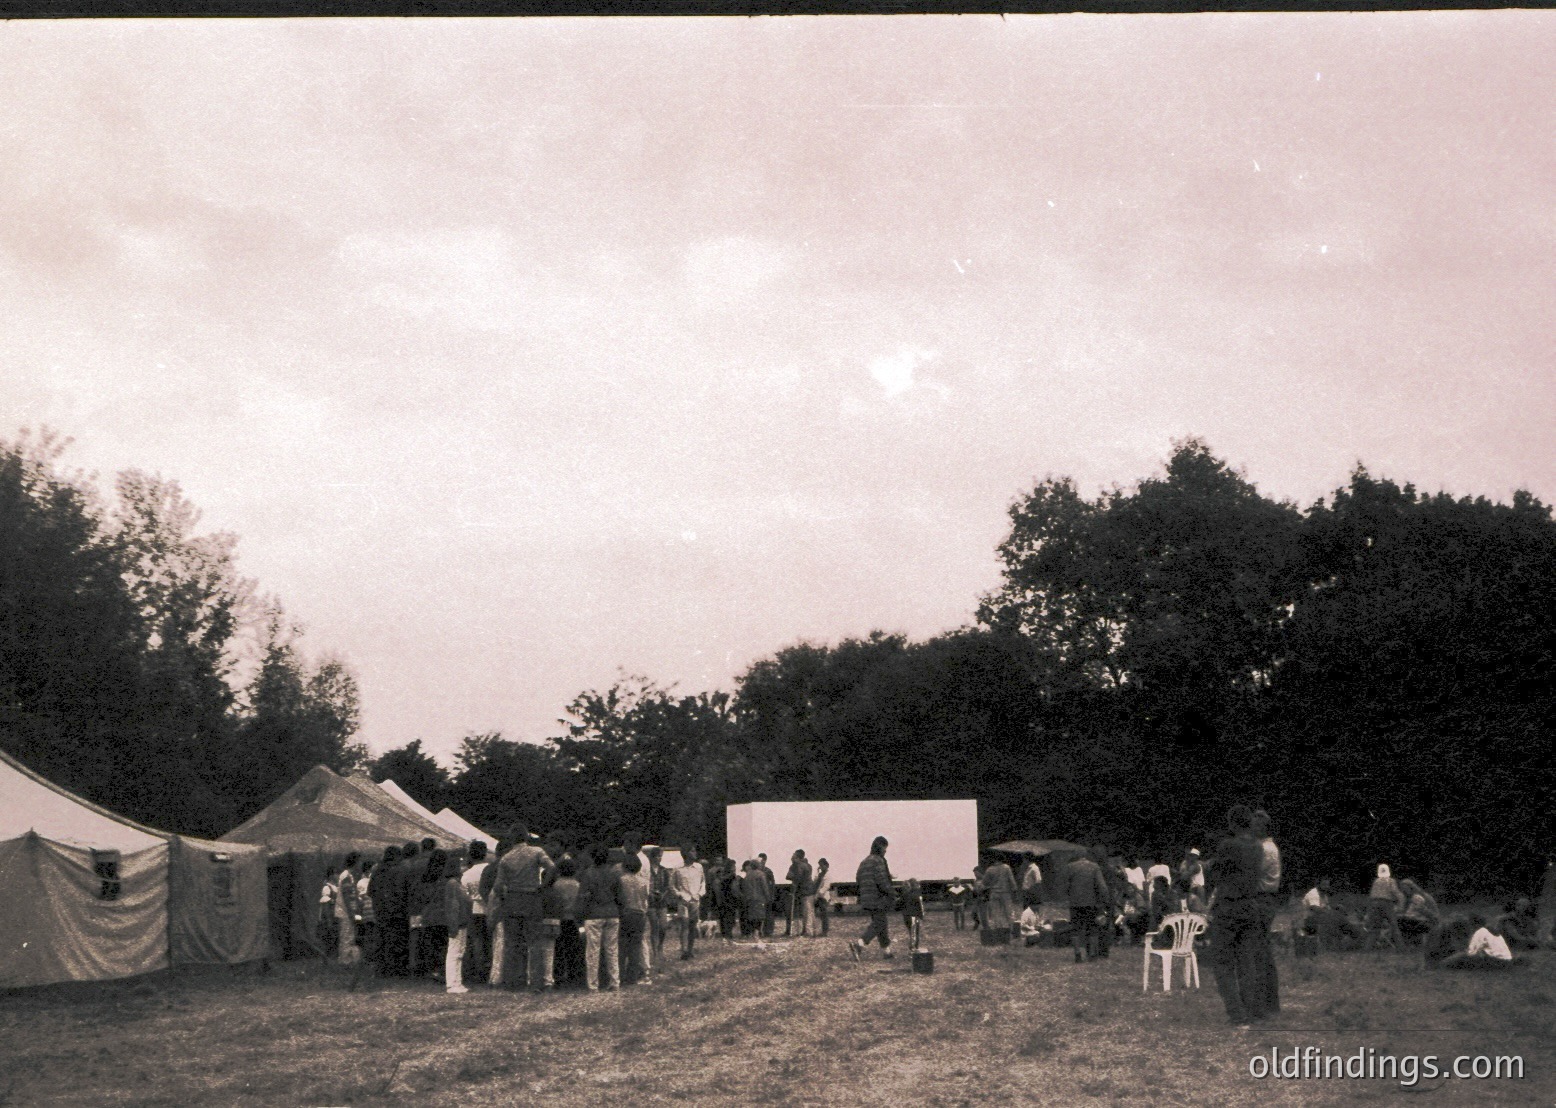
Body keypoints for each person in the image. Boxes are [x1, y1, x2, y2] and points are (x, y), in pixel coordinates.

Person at [1206, 804, 1272, 1028]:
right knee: (1247, 963)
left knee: (1222, 963)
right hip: (1250, 906)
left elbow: (1215, 873)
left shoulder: (1228, 845)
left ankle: (1236, 1013)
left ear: (1232, 823)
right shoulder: (1258, 847)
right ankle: (1250, 1011)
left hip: (1228, 907)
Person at [495, 822, 557, 990]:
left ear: (511, 839)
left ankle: (513, 982)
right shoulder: (537, 852)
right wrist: (542, 886)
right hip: (532, 898)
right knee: (535, 942)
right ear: (527, 836)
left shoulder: (505, 858)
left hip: (513, 899)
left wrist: (504, 899)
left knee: (512, 943)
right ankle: (536, 983)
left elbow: (498, 886)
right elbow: (551, 867)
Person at [1248, 811, 1280, 1018]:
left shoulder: (1266, 849)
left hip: (1262, 900)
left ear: (1262, 828)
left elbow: (1249, 872)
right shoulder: (1265, 847)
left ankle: (1265, 1003)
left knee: (1259, 952)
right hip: (1263, 900)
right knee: (1261, 951)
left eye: (1254, 827)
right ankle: (1268, 1002)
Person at [577, 845, 622, 991]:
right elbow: (619, 895)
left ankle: (593, 984)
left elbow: (583, 896)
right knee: (612, 950)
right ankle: (615, 982)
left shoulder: (588, 874)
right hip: (612, 913)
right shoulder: (614, 874)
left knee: (593, 951)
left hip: (594, 914)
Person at [849, 836, 896, 962]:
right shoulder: (879, 860)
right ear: (880, 847)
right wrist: (892, 893)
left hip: (867, 897)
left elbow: (858, 878)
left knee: (881, 922)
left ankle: (887, 951)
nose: (886, 851)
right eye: (885, 848)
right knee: (879, 923)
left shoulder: (864, 861)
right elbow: (882, 880)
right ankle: (859, 944)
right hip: (878, 897)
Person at [1063, 848, 1112, 964]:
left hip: (1075, 903)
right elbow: (1102, 886)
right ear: (1086, 856)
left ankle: (1077, 954)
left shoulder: (1070, 867)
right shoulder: (1094, 867)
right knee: (1092, 929)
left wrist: (1070, 896)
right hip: (1091, 902)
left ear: (1076, 855)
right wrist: (1105, 900)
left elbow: (1066, 886)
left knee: (1075, 929)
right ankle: (1092, 955)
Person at [370, 845, 410, 977]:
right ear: (397, 857)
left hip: (379, 910)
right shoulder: (398, 870)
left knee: (381, 939)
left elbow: (370, 891)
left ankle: (381, 969)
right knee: (397, 940)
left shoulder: (376, 870)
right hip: (396, 911)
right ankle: (396, 969)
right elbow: (401, 891)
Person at [549, 856, 584, 988]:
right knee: (573, 949)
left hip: (560, 919)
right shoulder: (577, 885)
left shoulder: (556, 885)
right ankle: (574, 975)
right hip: (573, 919)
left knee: (559, 949)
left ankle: (558, 976)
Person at [460, 842, 491, 985]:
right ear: (485, 853)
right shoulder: (490, 870)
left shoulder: (466, 874)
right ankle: (488, 968)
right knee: (489, 941)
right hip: (488, 908)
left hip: (473, 909)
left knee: (476, 941)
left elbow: (464, 894)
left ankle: (478, 971)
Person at [619, 855, 653, 986]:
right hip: (639, 914)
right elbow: (645, 898)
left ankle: (620, 975)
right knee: (635, 946)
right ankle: (632, 976)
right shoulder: (643, 881)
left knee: (622, 945)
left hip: (626, 912)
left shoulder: (621, 880)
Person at [1442, 913, 1520, 969]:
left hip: (1495, 961)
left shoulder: (1481, 933)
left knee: (1459, 957)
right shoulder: (1488, 931)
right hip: (1501, 960)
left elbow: (1469, 953)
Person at [443, 853, 473, 994]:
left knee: (459, 952)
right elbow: (452, 905)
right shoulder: (453, 884)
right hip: (458, 922)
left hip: (462, 921)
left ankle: (457, 981)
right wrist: (453, 924)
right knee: (454, 952)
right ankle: (452, 983)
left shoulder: (455, 883)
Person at [670, 848, 706, 960]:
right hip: (683, 900)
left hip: (695, 899)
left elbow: (703, 882)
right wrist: (679, 895)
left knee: (692, 925)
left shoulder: (699, 867)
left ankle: (690, 950)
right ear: (686, 853)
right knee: (684, 924)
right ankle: (684, 950)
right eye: (692, 851)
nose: (695, 853)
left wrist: (700, 894)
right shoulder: (677, 868)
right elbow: (672, 885)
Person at [1363, 864, 1406, 952]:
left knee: (1374, 928)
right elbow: (1395, 892)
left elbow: (1372, 895)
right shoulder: (1390, 881)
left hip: (1374, 903)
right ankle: (1401, 949)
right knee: (1394, 926)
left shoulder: (1376, 881)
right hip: (1386, 903)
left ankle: (1367, 949)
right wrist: (1401, 905)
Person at [335, 853, 363, 966]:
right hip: (345, 911)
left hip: (346, 911)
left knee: (348, 935)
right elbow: (347, 897)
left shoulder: (348, 876)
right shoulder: (346, 876)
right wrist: (351, 913)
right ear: (355, 862)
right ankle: (345, 961)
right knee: (346, 936)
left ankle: (347, 959)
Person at [646, 847, 671, 965]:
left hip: (661, 901)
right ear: (652, 857)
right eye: (657, 856)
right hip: (651, 901)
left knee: (663, 926)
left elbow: (668, 886)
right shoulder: (647, 870)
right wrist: (650, 893)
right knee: (654, 926)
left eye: (661, 856)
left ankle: (660, 945)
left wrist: (663, 894)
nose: (659, 859)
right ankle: (655, 951)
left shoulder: (664, 870)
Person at [1397, 879, 1441, 945]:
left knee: (1402, 922)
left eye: (1406, 889)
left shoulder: (1420, 897)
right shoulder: (1408, 899)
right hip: (1416, 919)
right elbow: (1407, 912)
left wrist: (1421, 911)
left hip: (1428, 921)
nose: (1404, 891)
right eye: (1403, 890)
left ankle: (1409, 942)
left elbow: (1431, 914)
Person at [785, 850, 814, 937]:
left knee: (807, 911)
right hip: (802, 891)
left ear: (798, 857)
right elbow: (788, 876)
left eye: (794, 855)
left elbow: (798, 877)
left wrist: (793, 878)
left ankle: (808, 931)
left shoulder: (802, 866)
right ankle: (804, 930)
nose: (792, 857)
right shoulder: (796, 866)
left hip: (806, 891)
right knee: (804, 911)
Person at [739, 861, 771, 938]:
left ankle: (752, 931)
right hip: (759, 897)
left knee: (751, 915)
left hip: (749, 898)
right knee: (759, 915)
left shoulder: (747, 874)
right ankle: (758, 931)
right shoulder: (761, 874)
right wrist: (767, 897)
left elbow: (744, 886)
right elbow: (764, 887)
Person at [901, 878, 925, 951]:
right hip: (914, 917)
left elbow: (899, 905)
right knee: (914, 934)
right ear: (916, 885)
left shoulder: (905, 894)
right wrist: (922, 915)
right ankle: (913, 950)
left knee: (911, 933)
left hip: (906, 917)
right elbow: (921, 906)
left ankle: (913, 949)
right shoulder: (917, 894)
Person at [811, 858, 833, 938]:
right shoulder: (820, 874)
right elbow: (814, 882)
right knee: (814, 913)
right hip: (817, 896)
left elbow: (826, 887)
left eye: (822, 865)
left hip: (823, 897)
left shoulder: (828, 875)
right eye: (820, 865)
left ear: (826, 865)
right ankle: (814, 930)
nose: (821, 867)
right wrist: (817, 871)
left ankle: (825, 931)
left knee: (824, 914)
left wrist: (818, 894)